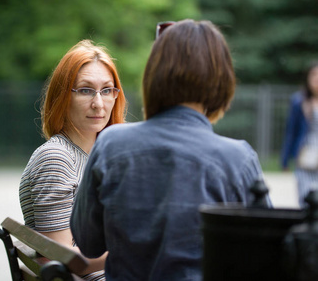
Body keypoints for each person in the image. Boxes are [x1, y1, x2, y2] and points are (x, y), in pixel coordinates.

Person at [70, 19, 272, 281]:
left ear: (153, 73)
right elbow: (266, 254)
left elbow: (88, 242)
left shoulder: (110, 145)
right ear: (222, 79)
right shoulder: (237, 159)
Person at [19, 39, 127, 280]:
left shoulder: (100, 155)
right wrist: (138, 249)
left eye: (107, 90)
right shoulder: (57, 159)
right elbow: (65, 260)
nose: (98, 103)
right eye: (86, 90)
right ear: (63, 96)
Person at [281, 61, 318, 208]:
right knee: (305, 199)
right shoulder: (299, 101)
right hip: (305, 156)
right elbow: (291, 131)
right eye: (314, 75)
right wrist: (285, 159)